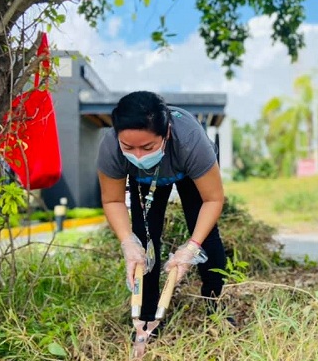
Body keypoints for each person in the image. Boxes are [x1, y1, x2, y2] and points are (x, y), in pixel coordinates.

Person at [97, 91, 227, 333]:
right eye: (128, 147)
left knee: (207, 239)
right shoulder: (111, 147)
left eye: (147, 146)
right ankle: (147, 320)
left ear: (166, 133)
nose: (138, 156)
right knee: (144, 241)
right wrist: (127, 242)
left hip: (188, 173)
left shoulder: (190, 140)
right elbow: (113, 200)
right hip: (143, 180)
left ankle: (216, 306)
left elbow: (213, 198)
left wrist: (191, 247)